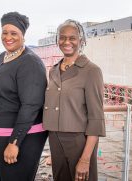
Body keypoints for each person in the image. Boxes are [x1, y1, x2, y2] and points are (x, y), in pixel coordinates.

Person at [0, 12, 48, 181]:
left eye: (14, 33)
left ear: (23, 36)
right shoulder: (2, 57)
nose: (8, 37)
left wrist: (15, 142)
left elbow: (31, 104)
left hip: (22, 137)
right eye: (5, 32)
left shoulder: (30, 62)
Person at [43, 19, 106, 181]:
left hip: (79, 141)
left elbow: (96, 118)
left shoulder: (91, 71)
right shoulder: (54, 70)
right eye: (62, 37)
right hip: (55, 138)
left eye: (72, 38)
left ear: (82, 41)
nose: (67, 42)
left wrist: (85, 159)